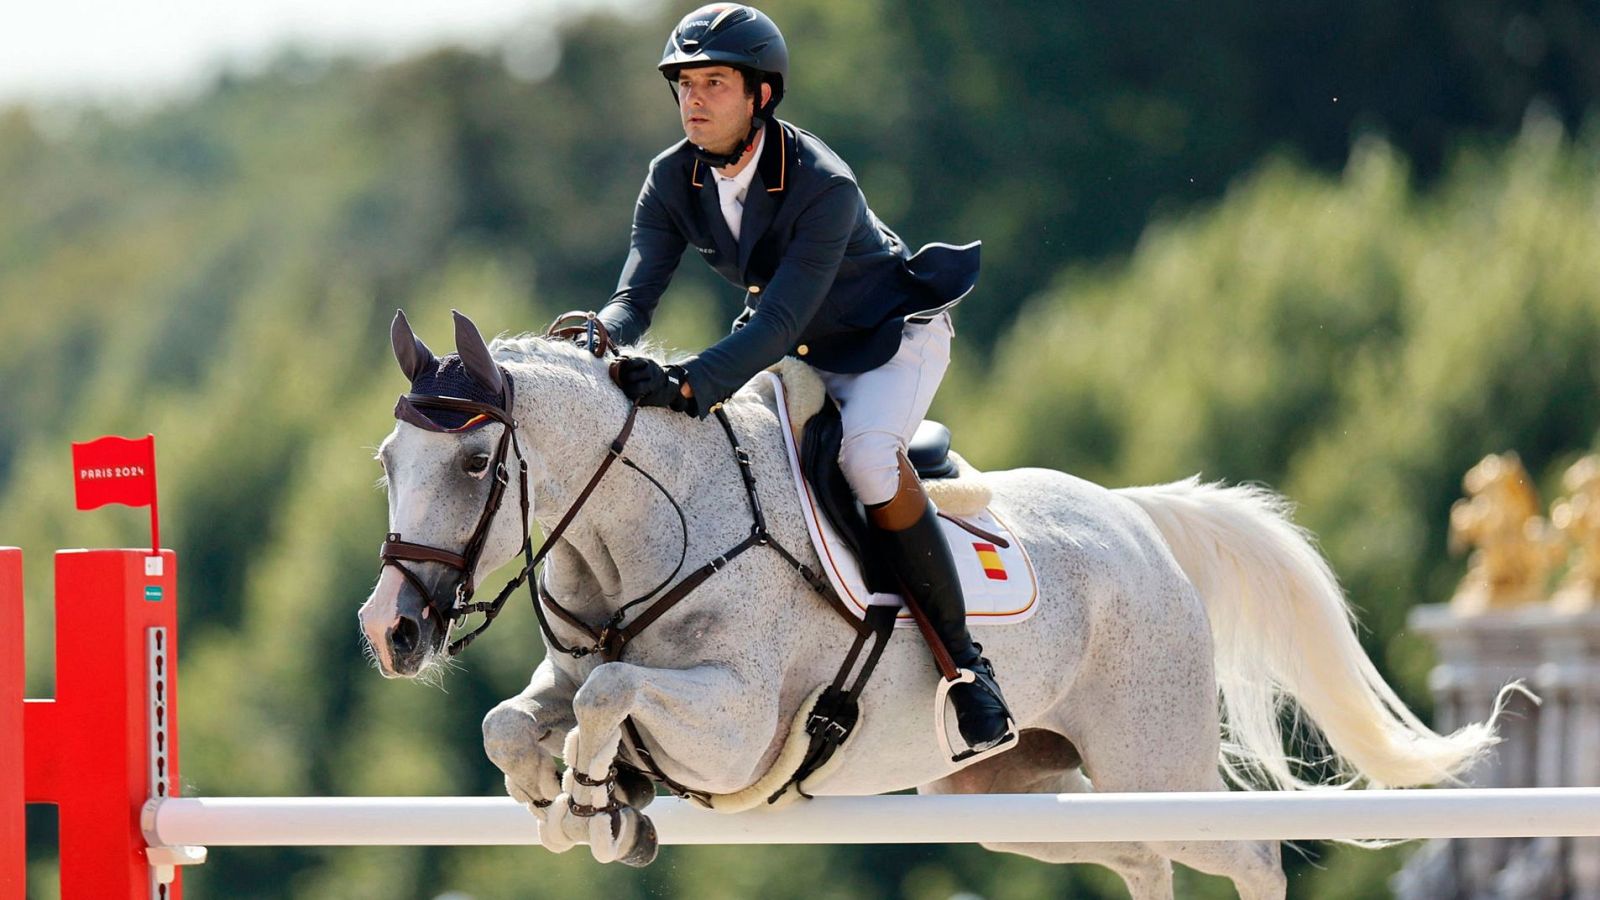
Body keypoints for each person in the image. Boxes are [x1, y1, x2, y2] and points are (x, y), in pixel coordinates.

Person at [596, 3, 1011, 752]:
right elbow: (635, 297)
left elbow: (775, 326)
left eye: (714, 83)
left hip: (889, 344)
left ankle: (970, 671)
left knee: (864, 458)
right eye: (684, 84)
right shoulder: (669, 178)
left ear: (761, 94)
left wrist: (691, 383)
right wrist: (598, 332)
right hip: (804, 352)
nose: (693, 100)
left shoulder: (823, 184)